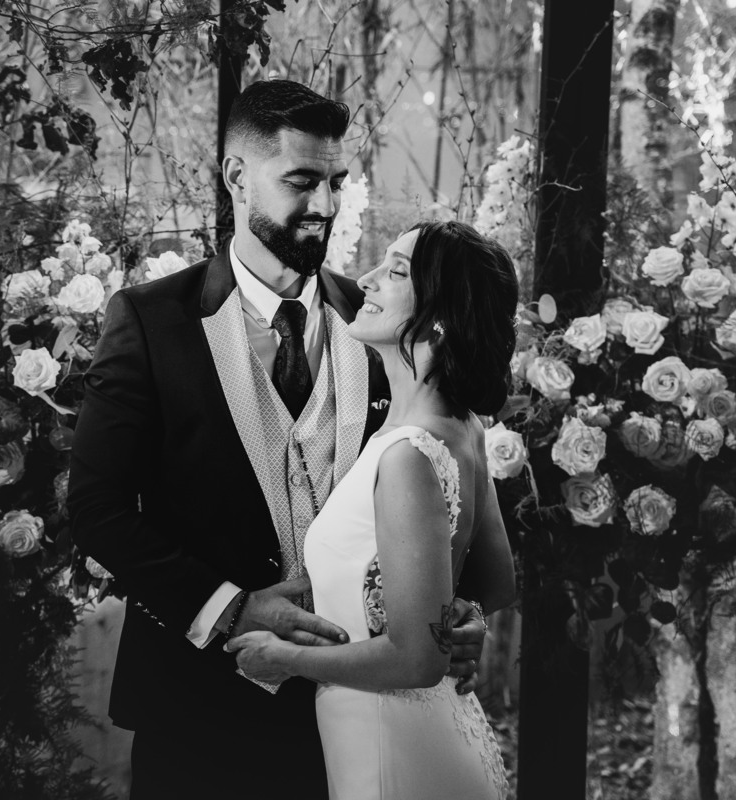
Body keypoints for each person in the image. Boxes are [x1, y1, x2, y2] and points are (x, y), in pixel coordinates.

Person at [67, 80, 490, 800]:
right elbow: (97, 509)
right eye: (301, 182)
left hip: (363, 711)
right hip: (199, 711)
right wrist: (232, 607)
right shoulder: (150, 321)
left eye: (336, 182)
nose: (324, 204)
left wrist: (458, 616)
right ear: (237, 177)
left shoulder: (384, 323)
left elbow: (443, 490)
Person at [227, 220, 519, 800]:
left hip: (391, 749)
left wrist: (285, 657)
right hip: (432, 730)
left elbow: (417, 661)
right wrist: (465, 621)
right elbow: (496, 583)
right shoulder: (464, 428)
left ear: (439, 316)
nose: (366, 279)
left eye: (396, 271)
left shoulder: (409, 454)